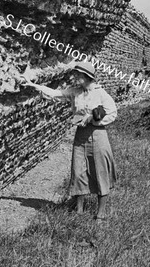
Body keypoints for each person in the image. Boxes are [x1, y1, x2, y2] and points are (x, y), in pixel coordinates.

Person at [22, 61, 117, 220]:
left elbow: (112, 113)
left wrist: (93, 120)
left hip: (98, 135)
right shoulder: (75, 92)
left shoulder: (101, 93)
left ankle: (101, 213)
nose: (76, 78)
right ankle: (78, 210)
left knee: (100, 170)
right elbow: (54, 93)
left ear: (87, 77)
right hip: (81, 135)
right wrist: (33, 85)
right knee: (78, 170)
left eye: (79, 75)